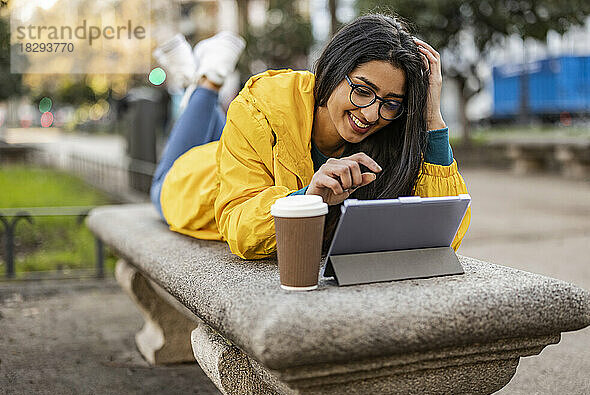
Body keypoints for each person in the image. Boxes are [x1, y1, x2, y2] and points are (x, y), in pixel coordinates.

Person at [150, 14, 471, 260]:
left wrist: (431, 117)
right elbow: (239, 225)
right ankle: (207, 80)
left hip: (250, 149)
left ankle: (187, 77)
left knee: (229, 131)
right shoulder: (263, 104)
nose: (372, 114)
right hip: (194, 186)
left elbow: (444, 234)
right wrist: (309, 197)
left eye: (390, 103)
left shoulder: (390, 129)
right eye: (362, 90)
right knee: (163, 180)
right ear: (333, 68)